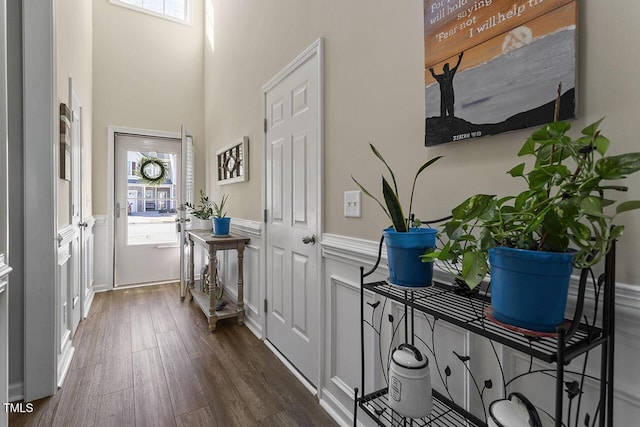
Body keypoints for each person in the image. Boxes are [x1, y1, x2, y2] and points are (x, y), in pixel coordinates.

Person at [429, 52, 464, 117]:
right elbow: (434, 76)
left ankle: (451, 119)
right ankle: (448, 119)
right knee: (445, 109)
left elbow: (456, 67)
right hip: (446, 97)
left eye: (447, 68)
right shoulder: (444, 76)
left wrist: (460, 58)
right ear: (444, 70)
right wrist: (432, 71)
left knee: (450, 110)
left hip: (449, 96)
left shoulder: (449, 75)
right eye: (446, 68)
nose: (447, 70)